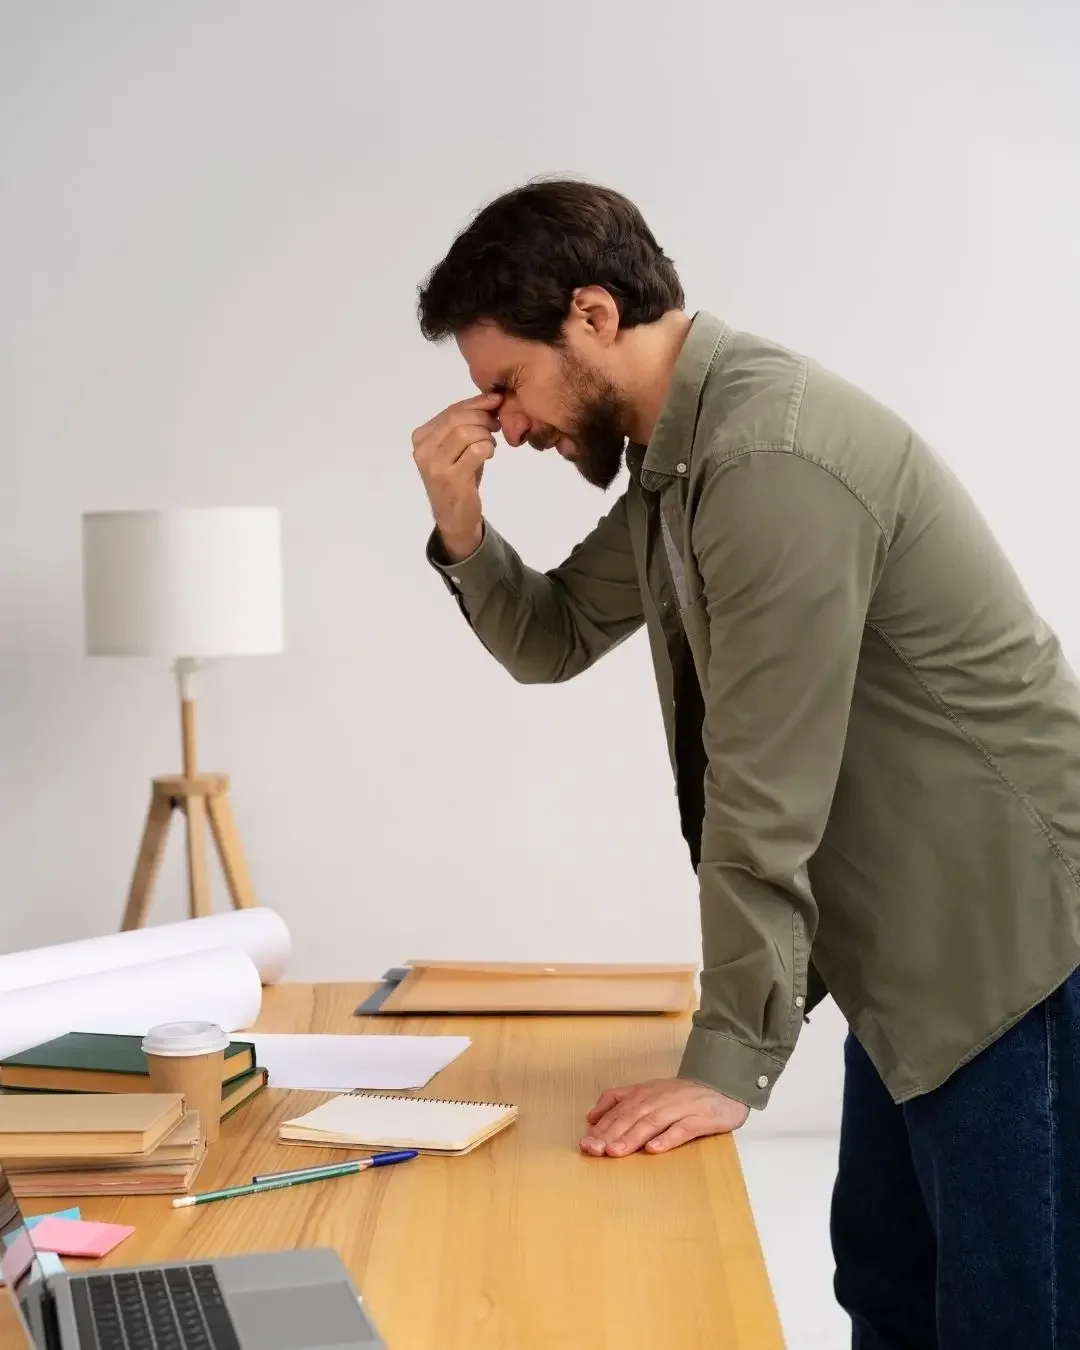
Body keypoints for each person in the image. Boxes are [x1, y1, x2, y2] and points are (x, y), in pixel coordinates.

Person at [410, 177, 1080, 1349]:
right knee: (889, 1288)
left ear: (594, 315)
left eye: (506, 384)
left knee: (1006, 1318)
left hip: (1010, 937)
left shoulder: (768, 459)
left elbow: (764, 790)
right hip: (903, 940)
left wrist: (731, 1060)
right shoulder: (684, 459)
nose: (504, 424)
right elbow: (559, 633)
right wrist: (460, 525)